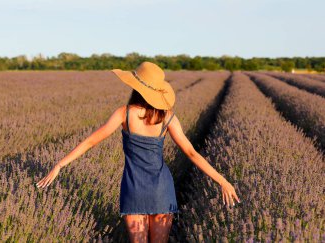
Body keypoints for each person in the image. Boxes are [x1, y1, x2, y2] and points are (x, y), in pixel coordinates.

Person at [36, 61, 241, 242]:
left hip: (133, 189)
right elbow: (191, 153)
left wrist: (59, 164)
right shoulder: (167, 117)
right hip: (161, 189)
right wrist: (222, 180)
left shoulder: (124, 114)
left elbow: (91, 142)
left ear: (136, 87)